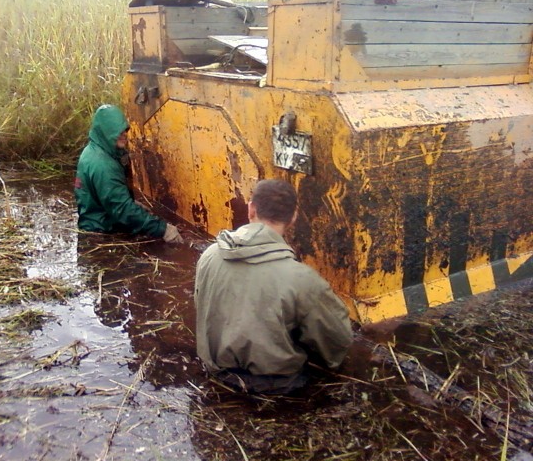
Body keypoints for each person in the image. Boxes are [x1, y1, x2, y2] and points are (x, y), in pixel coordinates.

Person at [194, 179, 353, 394]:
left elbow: (203, 307)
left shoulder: (210, 254)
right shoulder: (302, 279)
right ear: (294, 217)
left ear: (251, 209)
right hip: (275, 386)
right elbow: (337, 339)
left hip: (215, 370)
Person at [74, 104, 182, 243]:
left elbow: (108, 196)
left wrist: (130, 201)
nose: (124, 135)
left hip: (94, 222)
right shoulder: (103, 165)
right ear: (106, 131)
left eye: (125, 130)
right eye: (117, 132)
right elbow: (122, 210)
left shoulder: (94, 150)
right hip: (101, 233)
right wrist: (162, 229)